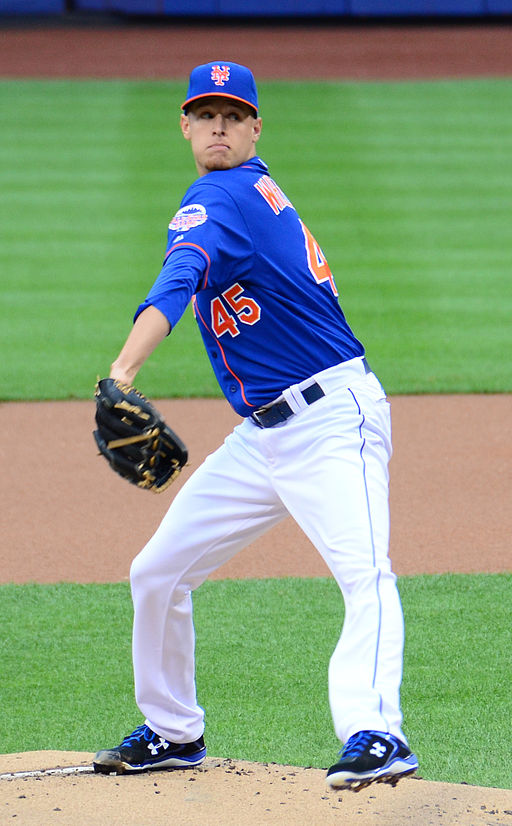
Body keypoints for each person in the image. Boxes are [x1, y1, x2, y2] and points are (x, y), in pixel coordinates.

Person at [93, 60, 418, 791]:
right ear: (184, 123)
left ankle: (378, 733)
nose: (217, 126)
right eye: (205, 114)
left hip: (334, 419)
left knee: (364, 574)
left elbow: (176, 280)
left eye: (232, 115)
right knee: (158, 572)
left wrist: (122, 372)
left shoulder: (225, 194)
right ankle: (175, 731)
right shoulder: (249, 191)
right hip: (263, 438)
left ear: (255, 129)